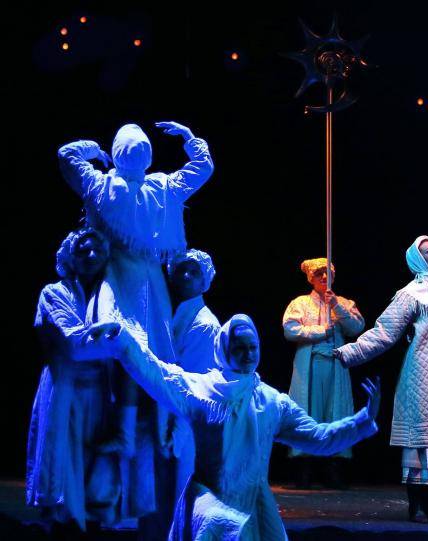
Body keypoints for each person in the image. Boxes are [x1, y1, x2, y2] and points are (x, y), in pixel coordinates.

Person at [84, 314, 380, 540]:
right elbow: (154, 371)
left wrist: (363, 419)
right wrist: (121, 339)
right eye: (239, 347)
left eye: (253, 347)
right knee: (221, 525)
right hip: (209, 498)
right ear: (225, 349)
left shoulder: (271, 402)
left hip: (253, 501)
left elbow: (318, 437)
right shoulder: (200, 390)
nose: (248, 354)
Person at [58, 121, 214, 535]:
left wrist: (94, 150)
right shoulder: (162, 187)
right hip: (148, 285)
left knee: (127, 356)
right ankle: (157, 426)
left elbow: (66, 156)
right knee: (151, 358)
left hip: (120, 279)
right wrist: (189, 139)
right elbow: (203, 168)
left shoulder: (102, 185)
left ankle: (137, 429)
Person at [334, 235, 428, 523]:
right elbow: (385, 332)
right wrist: (350, 352)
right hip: (424, 374)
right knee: (424, 444)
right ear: (417, 259)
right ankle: (418, 506)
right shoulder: (411, 294)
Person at [26, 226, 121, 532]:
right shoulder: (54, 293)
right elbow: (75, 343)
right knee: (61, 467)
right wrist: (118, 342)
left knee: (95, 473)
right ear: (70, 256)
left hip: (98, 394)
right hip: (63, 390)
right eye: (83, 250)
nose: (91, 255)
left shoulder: (109, 297)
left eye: (98, 250)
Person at [283, 258, 365, 488]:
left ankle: (334, 468)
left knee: (334, 412)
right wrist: (320, 331)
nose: (324, 277)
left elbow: (357, 327)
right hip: (311, 366)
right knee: (309, 412)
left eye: (327, 272)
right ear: (311, 278)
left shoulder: (344, 303)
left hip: (335, 366)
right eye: (319, 273)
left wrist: (336, 306)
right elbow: (290, 329)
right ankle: (304, 469)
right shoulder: (300, 303)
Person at [167, 249, 221, 511]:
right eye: (181, 270)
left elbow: (191, 384)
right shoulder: (177, 314)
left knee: (181, 494)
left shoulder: (204, 325)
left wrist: (174, 429)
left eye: (194, 272)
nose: (186, 276)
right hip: (175, 413)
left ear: (204, 281)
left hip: (187, 418)